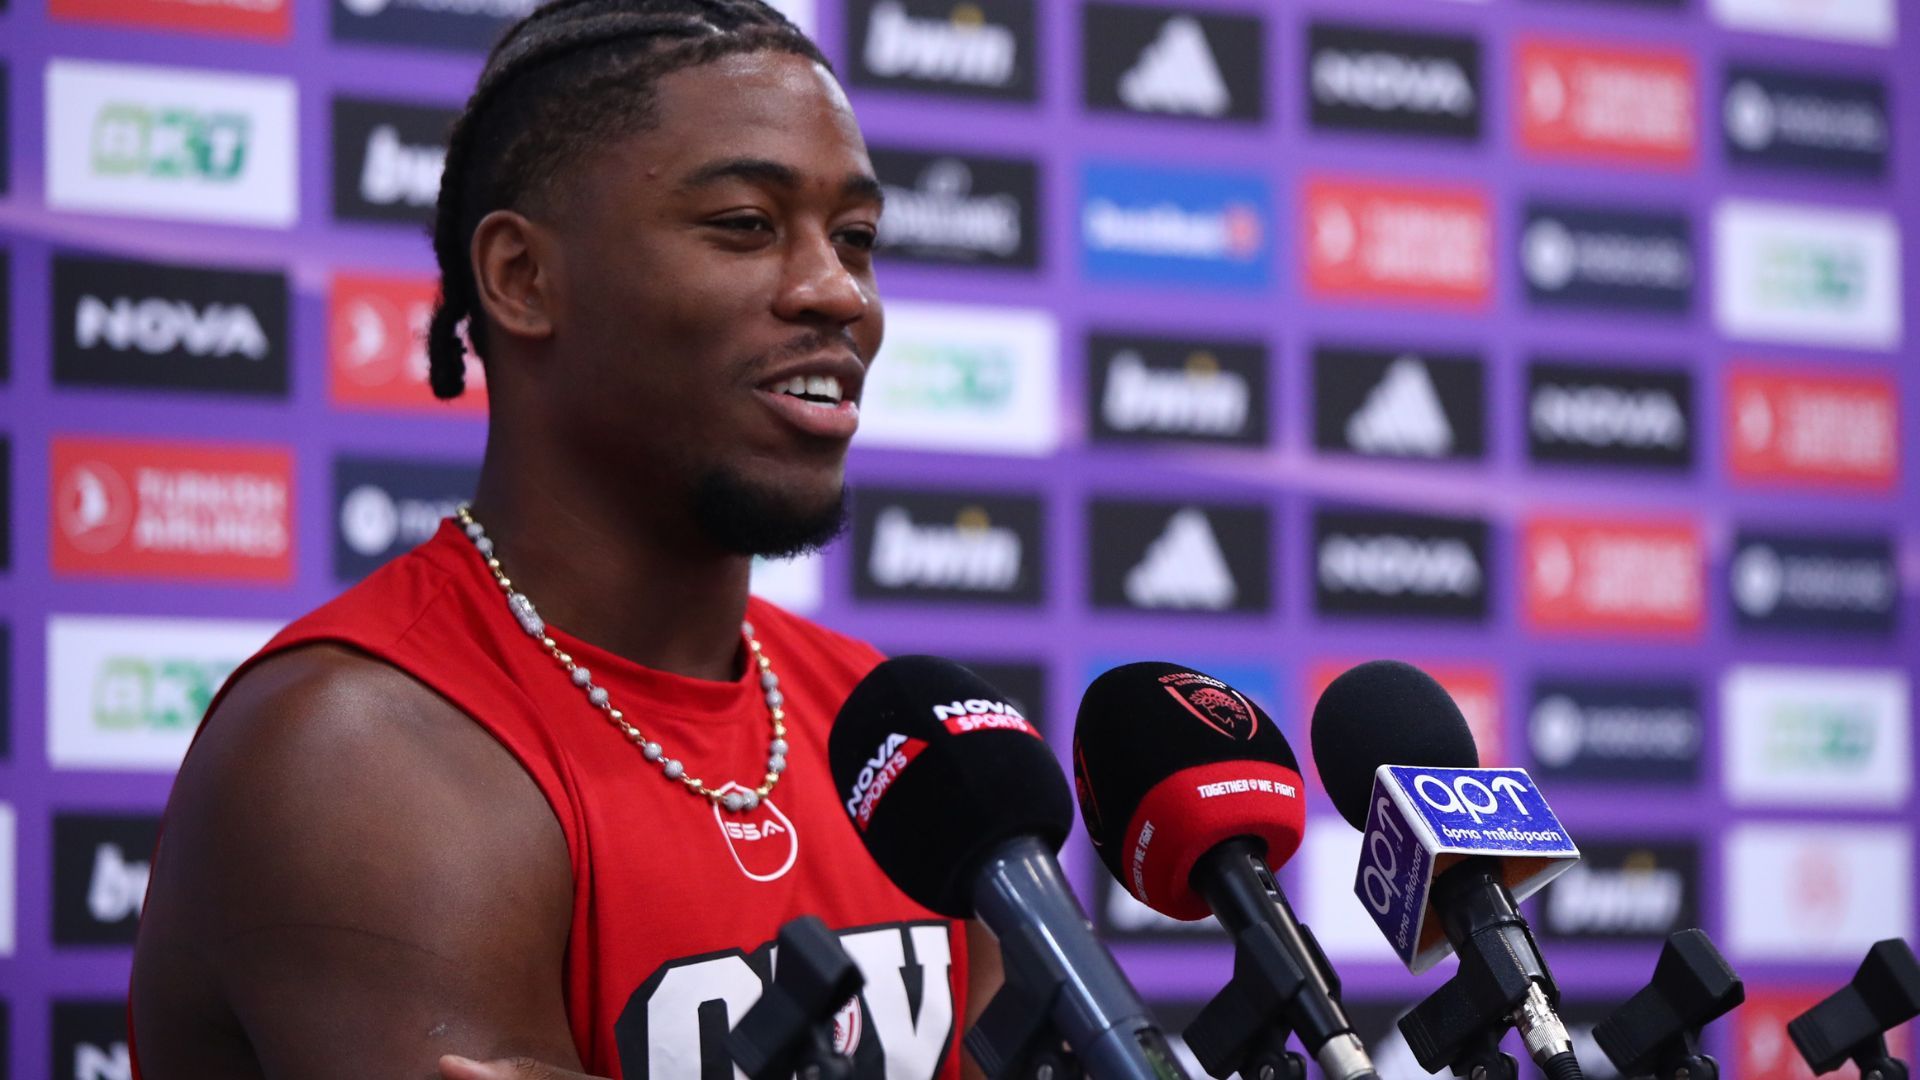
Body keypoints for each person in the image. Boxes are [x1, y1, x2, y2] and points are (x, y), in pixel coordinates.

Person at [128, 2, 1000, 1076]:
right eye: (745, 224)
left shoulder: (895, 744)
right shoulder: (357, 754)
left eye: (855, 238)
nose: (836, 291)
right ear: (522, 279)